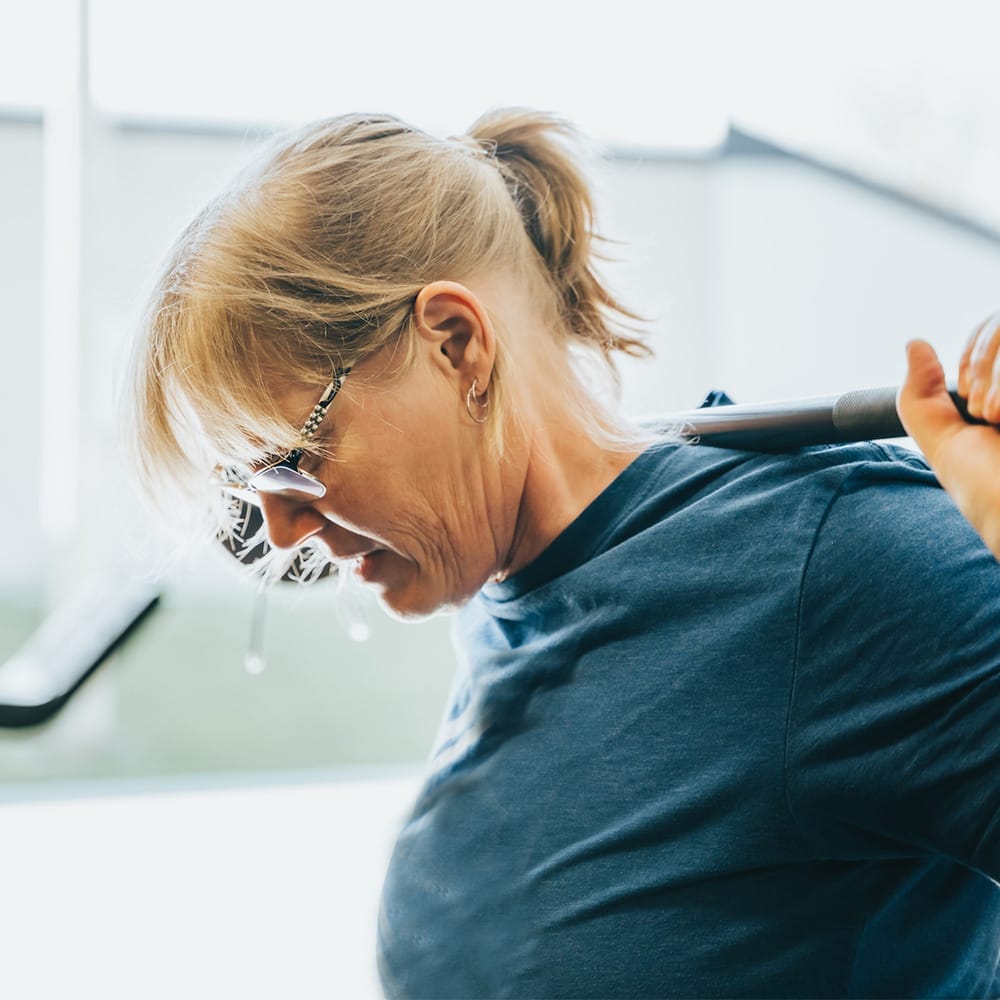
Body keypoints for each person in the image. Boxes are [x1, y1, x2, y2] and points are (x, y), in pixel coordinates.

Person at [128, 108, 999, 998]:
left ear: (456, 345)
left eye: (295, 462)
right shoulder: (505, 591)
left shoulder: (839, 562)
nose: (280, 531)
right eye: (250, 488)